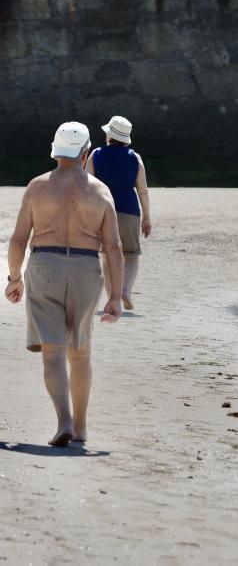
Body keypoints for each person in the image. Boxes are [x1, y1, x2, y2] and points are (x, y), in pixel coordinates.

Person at [5, 121, 124, 447]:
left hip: (45, 264)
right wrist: (115, 297)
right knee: (80, 352)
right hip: (87, 269)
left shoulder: (37, 187)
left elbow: (18, 240)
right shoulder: (100, 191)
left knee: (53, 352)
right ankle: (81, 429)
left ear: (56, 152)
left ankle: (64, 421)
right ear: (86, 152)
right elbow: (113, 247)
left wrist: (14, 279)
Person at [85, 116, 152, 311]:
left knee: (107, 254)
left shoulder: (96, 154)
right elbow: (143, 190)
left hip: (103, 210)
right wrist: (146, 217)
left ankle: (111, 297)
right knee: (131, 255)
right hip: (130, 210)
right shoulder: (135, 157)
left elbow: (86, 184)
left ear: (108, 134)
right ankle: (125, 291)